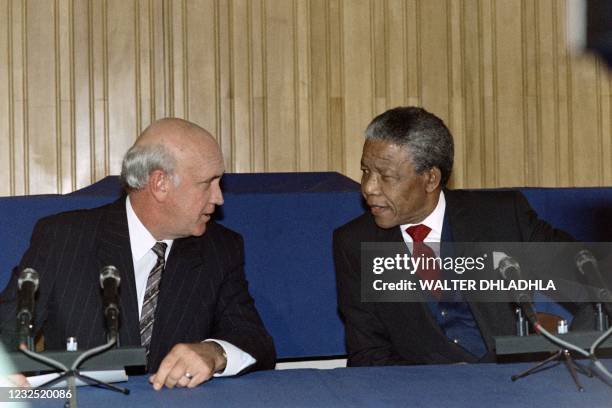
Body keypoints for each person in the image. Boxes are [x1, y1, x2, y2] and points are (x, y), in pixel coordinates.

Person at [0, 118, 276, 389]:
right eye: (208, 183)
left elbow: (254, 340)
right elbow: (7, 331)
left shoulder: (219, 248)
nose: (219, 197)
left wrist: (214, 353)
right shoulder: (64, 238)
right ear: (160, 184)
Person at [333, 106, 592, 366]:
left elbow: (593, 278)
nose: (368, 188)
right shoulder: (355, 244)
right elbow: (368, 355)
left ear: (431, 179)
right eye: (366, 171)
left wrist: (579, 347)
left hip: (515, 384)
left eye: (385, 176)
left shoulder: (502, 217)